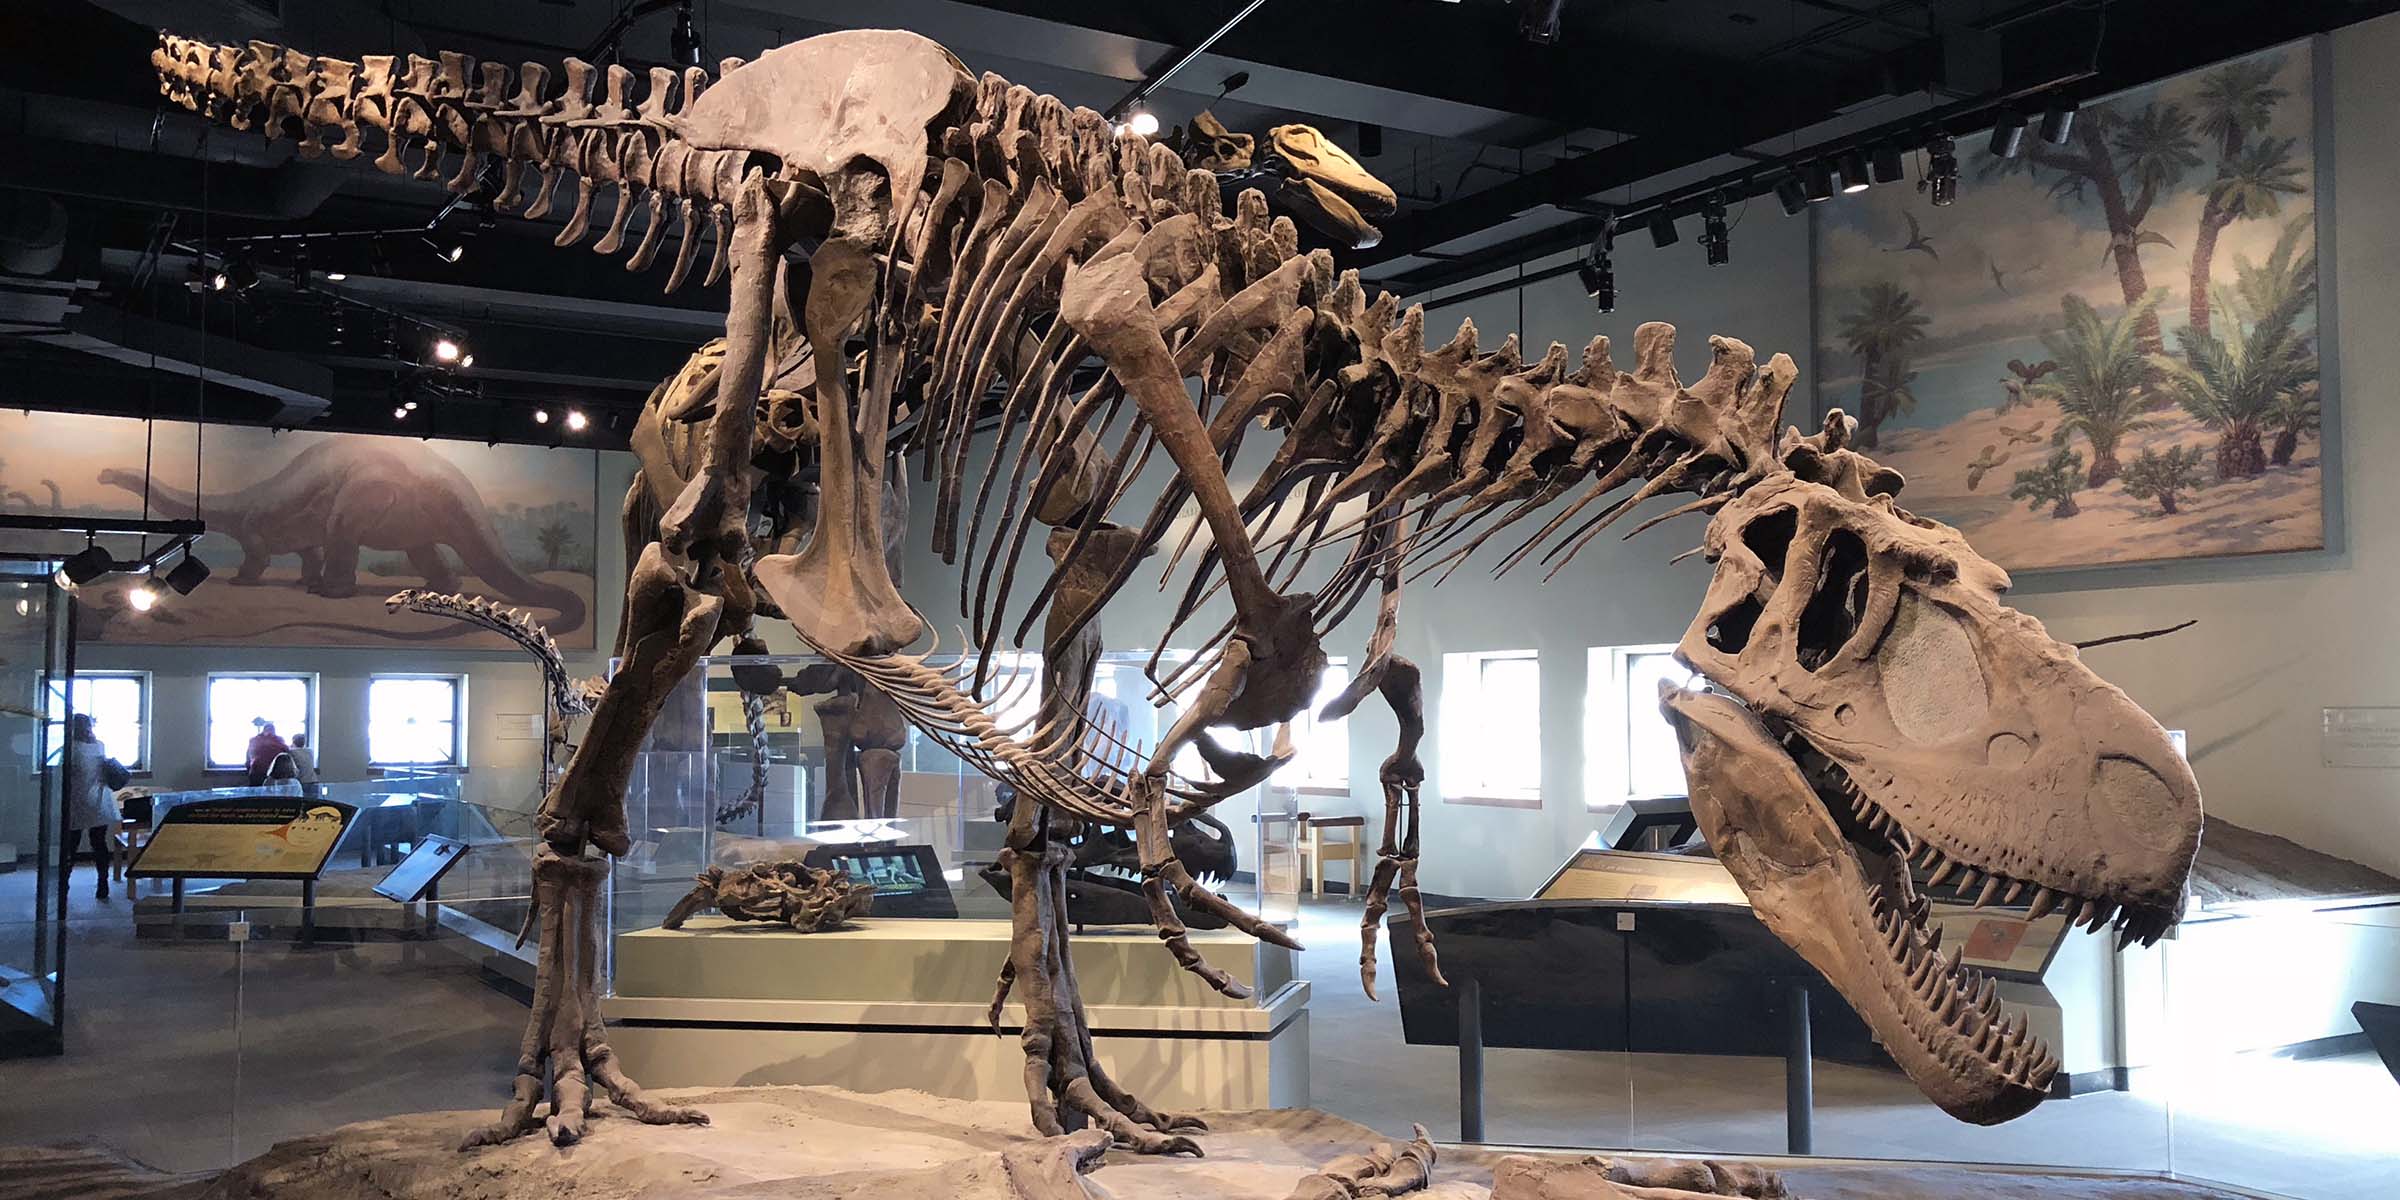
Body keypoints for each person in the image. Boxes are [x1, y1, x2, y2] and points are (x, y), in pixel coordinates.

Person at [62, 714, 121, 901]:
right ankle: (103, 884)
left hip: (77, 800)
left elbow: (65, 774)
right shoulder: (99, 746)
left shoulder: (71, 748)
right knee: (99, 843)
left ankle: (64, 885)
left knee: (70, 845)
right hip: (100, 801)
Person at [245, 719, 291, 787]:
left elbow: (248, 758)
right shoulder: (279, 740)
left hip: (256, 771)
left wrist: (250, 768)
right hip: (274, 774)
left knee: (255, 794)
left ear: (263, 730)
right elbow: (287, 754)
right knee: (272, 796)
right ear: (274, 731)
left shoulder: (253, 740)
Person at [288, 732, 321, 798]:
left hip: (302, 782)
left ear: (293, 742)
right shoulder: (310, 751)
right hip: (313, 781)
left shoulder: (292, 752)